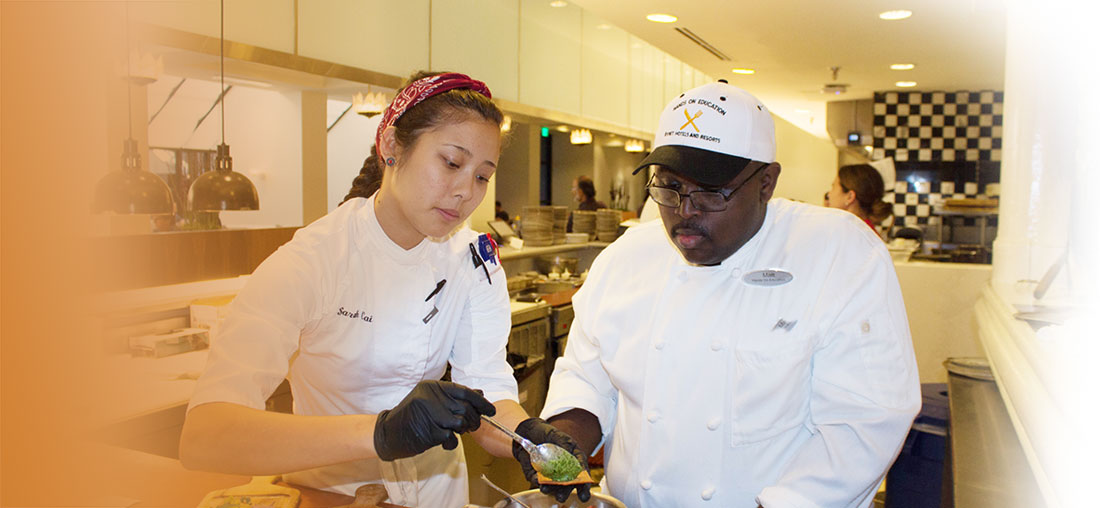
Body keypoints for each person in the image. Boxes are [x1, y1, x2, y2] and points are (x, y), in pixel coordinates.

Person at [179, 71, 585, 508]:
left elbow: (487, 392)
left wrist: (525, 438)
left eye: (483, 176)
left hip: (435, 497)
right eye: (451, 163)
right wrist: (381, 432)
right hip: (334, 495)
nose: (466, 192)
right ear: (391, 146)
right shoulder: (312, 260)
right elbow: (205, 436)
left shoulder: (473, 258)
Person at [538, 80, 920, 507]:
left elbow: (864, 420)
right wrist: (564, 445)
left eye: (711, 191)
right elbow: (588, 379)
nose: (685, 210)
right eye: (669, 187)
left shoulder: (836, 253)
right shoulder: (626, 257)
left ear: (766, 183)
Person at [826, 163, 893, 232]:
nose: (829, 194)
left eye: (833, 187)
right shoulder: (863, 229)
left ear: (850, 197)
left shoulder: (851, 233)